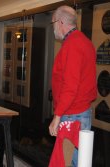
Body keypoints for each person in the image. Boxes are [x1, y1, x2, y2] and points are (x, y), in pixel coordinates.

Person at [48, 5, 97, 166]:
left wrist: (57, 116)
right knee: (78, 161)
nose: (53, 26)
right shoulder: (84, 42)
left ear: (61, 22)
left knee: (67, 162)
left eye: (53, 22)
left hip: (72, 115)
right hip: (80, 112)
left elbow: (70, 86)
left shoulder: (72, 45)